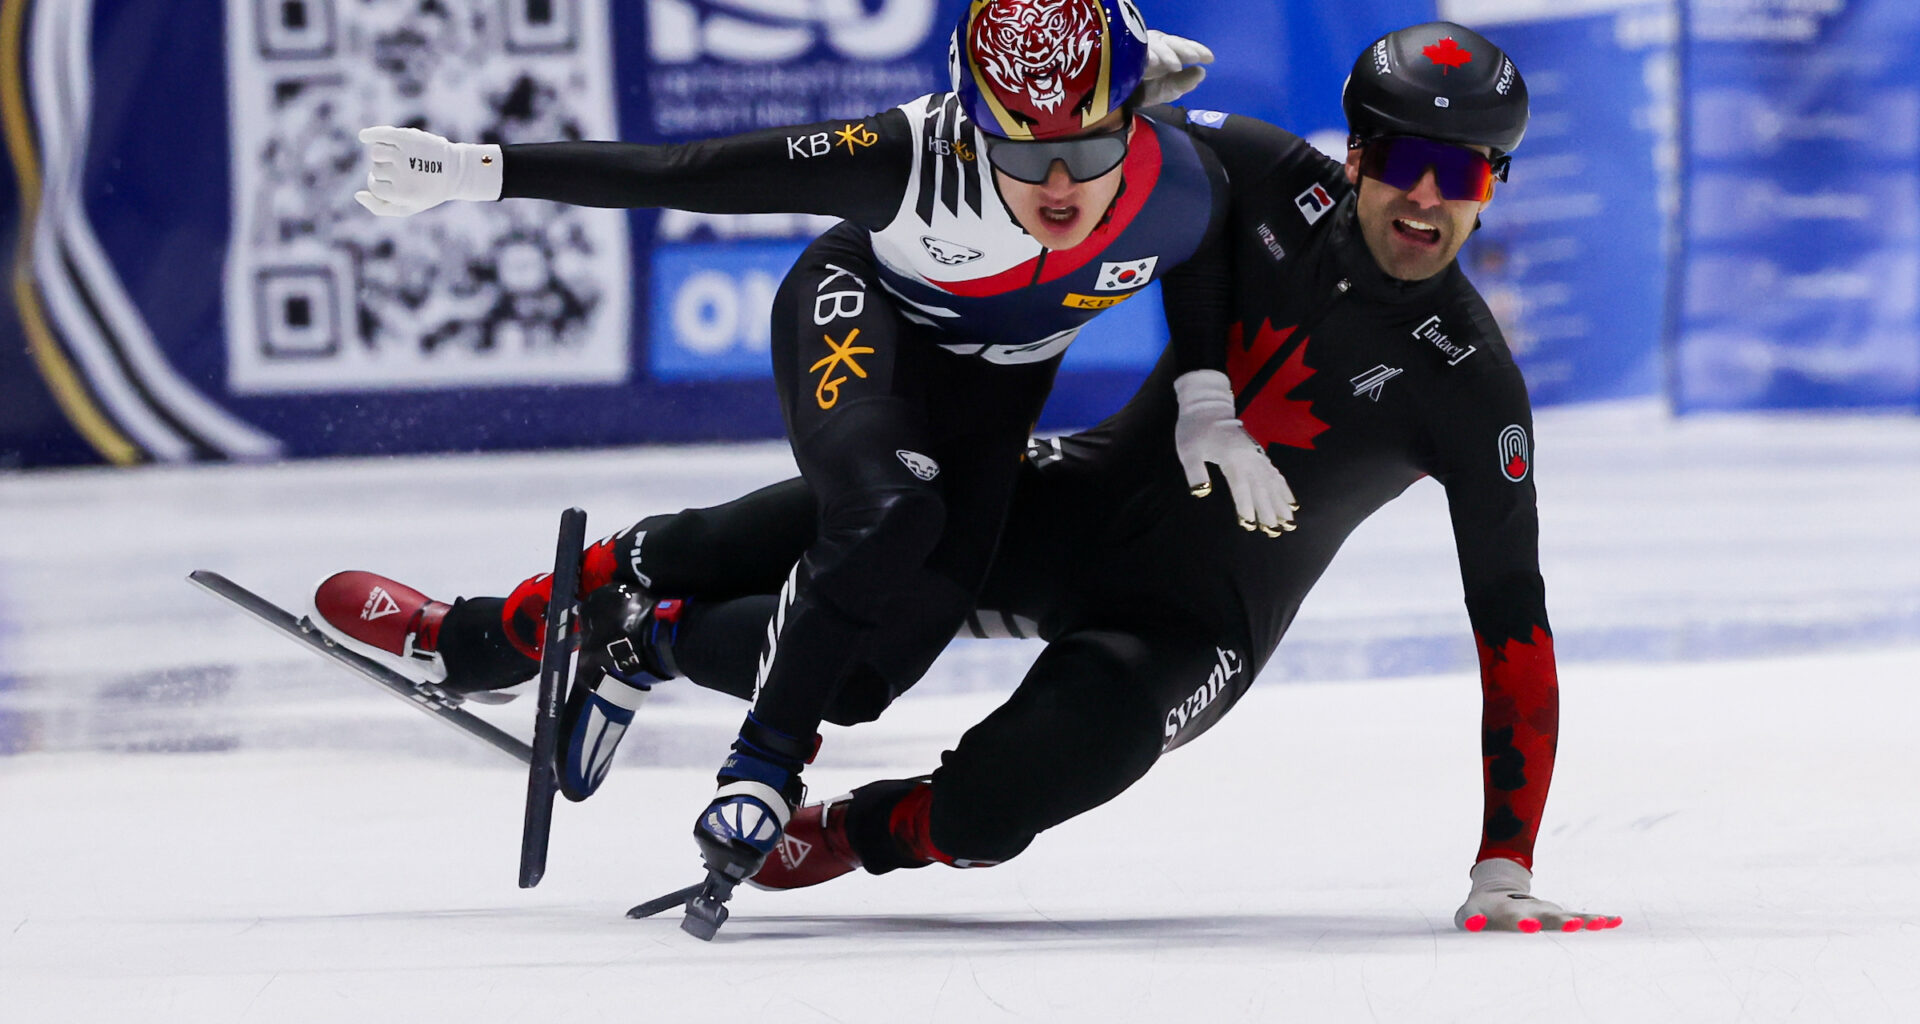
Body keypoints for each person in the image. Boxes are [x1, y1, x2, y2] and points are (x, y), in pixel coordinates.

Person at [322, 1, 1293, 924]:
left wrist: (1206, 398)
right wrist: (477, 170)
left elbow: (1201, 247)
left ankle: (639, 628)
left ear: (1132, 121)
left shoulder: (1179, 180)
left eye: (1085, 150)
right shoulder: (908, 159)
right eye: (1018, 153)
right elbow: (683, 169)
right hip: (866, 319)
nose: (1056, 190)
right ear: (970, 126)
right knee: (888, 509)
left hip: (990, 402)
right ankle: (753, 759)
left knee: (863, 676)